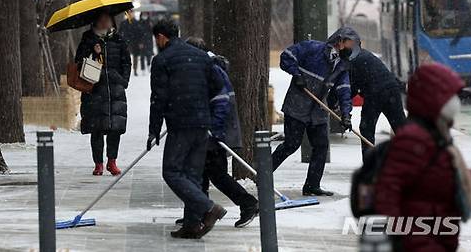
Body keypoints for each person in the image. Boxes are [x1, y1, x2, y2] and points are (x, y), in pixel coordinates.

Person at [375, 63, 471, 252]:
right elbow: (387, 192)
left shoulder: (436, 134)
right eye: (450, 97)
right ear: (434, 100)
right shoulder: (413, 139)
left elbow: (448, 173)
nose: (456, 102)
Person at [148, 19, 226, 239]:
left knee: (171, 171)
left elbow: (158, 98)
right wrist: (199, 101)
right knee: (191, 175)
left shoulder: (162, 60)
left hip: (181, 123)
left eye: (157, 39)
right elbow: (218, 84)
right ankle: (192, 225)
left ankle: (209, 208)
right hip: (202, 123)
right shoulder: (201, 56)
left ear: (161, 37)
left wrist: (153, 130)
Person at [271, 27, 358, 196]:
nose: (352, 48)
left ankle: (312, 185)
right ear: (340, 41)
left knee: (321, 146)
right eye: (350, 44)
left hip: (317, 111)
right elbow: (286, 57)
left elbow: (344, 91)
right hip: (297, 105)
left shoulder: (341, 66)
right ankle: (263, 175)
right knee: (291, 144)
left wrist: (346, 115)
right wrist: (296, 74)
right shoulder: (313, 48)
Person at [185, 37, 259, 228]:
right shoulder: (206, 68)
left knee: (215, 173)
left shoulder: (212, 70)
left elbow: (221, 103)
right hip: (208, 130)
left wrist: (216, 130)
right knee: (200, 172)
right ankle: (199, 211)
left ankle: (248, 203)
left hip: (216, 132)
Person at [75, 12, 131, 176]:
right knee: (96, 128)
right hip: (95, 90)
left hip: (115, 90)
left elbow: (126, 62)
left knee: (115, 128)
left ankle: (112, 162)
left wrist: (123, 81)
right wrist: (94, 53)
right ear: (96, 22)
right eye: (101, 19)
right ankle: (98, 163)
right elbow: (78, 61)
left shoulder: (118, 39)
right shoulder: (88, 38)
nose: (105, 22)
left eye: (107, 19)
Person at [349, 48, 406, 159]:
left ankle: (370, 165)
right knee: (400, 127)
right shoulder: (366, 55)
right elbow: (385, 74)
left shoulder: (352, 60)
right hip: (391, 89)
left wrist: (336, 104)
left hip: (374, 93)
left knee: (366, 129)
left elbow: (352, 87)